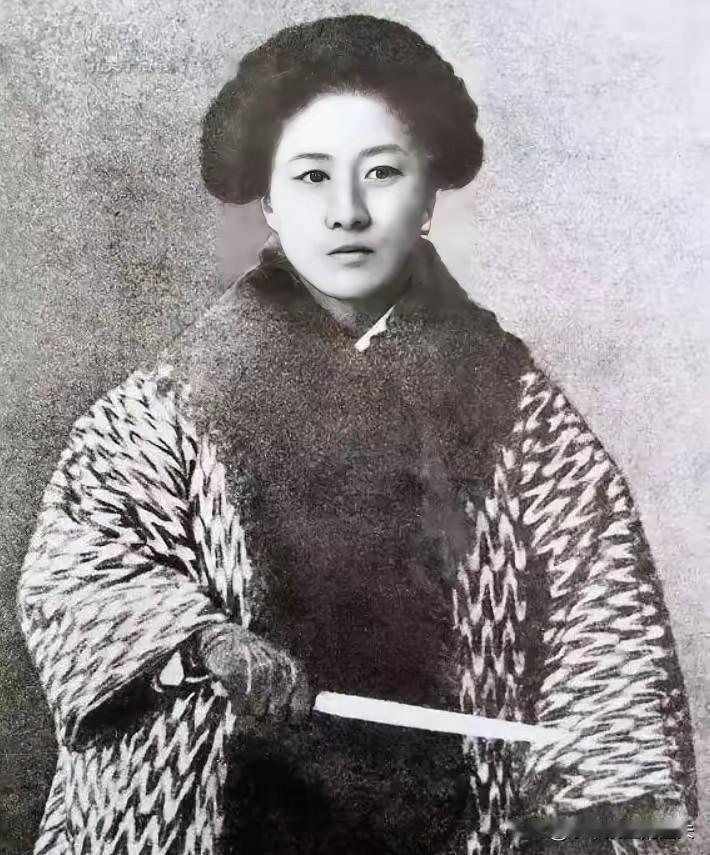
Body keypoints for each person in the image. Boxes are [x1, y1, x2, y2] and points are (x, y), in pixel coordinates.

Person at [16, 13, 696, 855]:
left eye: (382, 172)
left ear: (429, 194)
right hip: (219, 815)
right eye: (310, 177)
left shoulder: (527, 421)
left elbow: (610, 641)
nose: (346, 211)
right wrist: (201, 638)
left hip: (462, 827)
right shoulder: (168, 409)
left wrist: (605, 816)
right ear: (268, 199)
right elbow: (82, 566)